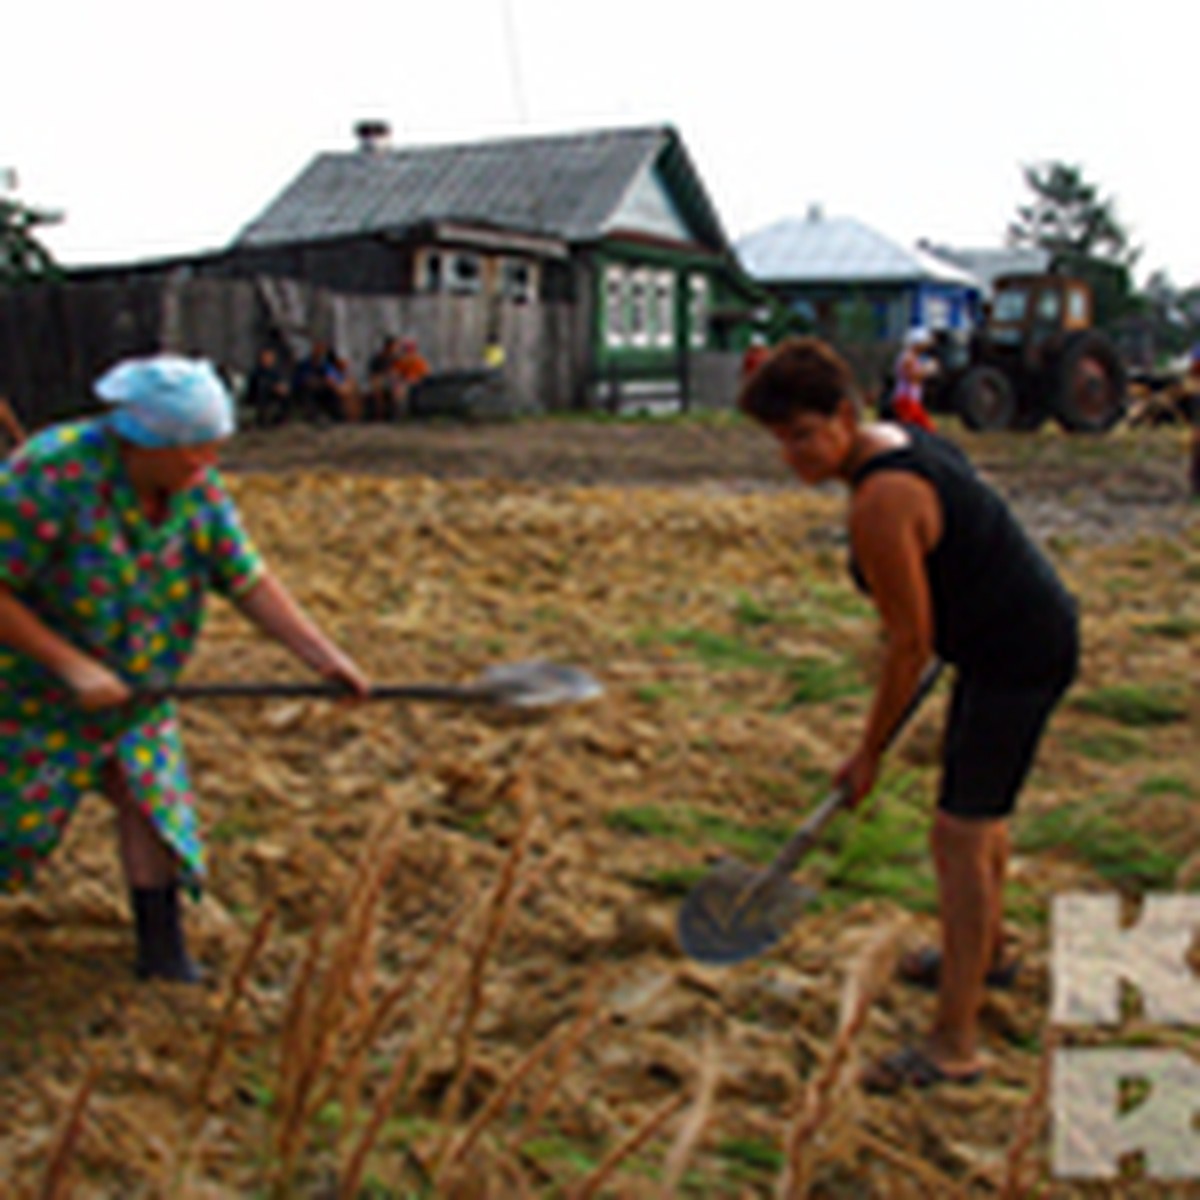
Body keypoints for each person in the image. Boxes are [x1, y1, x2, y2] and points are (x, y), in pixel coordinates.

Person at [737, 337, 1079, 1092]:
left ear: (844, 414)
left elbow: (908, 644)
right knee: (977, 818)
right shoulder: (899, 438)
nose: (791, 456)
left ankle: (954, 1044)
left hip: (1016, 656)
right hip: (1003, 641)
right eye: (778, 441)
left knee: (957, 834)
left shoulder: (881, 501)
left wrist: (870, 754)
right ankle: (986, 955)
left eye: (801, 435)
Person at [0, 354, 370, 982]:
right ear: (142, 441)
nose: (208, 467)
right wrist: (72, 667)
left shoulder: (196, 488)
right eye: (196, 452)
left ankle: (163, 955)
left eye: (214, 451)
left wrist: (322, 655)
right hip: (26, 693)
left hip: (139, 688)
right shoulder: (51, 472)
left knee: (149, 803)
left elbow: (244, 575)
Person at [291, 338, 358, 423]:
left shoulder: (326, 365)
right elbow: (300, 380)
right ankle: (314, 416)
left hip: (324, 390)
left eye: (322, 350)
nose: (319, 352)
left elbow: (334, 379)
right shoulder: (304, 365)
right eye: (318, 349)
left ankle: (337, 416)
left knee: (333, 393)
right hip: (306, 391)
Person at [889, 327, 938, 431]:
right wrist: (928, 369)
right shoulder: (908, 358)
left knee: (923, 431)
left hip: (910, 400)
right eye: (925, 343)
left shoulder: (911, 356)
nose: (926, 346)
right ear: (917, 343)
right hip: (907, 400)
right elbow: (912, 379)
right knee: (925, 431)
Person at [241, 346, 291, 428]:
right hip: (256, 402)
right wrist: (272, 387)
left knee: (284, 391)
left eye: (269, 358)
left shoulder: (276, 372)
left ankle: (282, 418)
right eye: (265, 357)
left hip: (271, 400)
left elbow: (282, 382)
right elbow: (256, 387)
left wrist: (282, 387)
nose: (267, 360)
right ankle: (263, 419)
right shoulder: (256, 373)